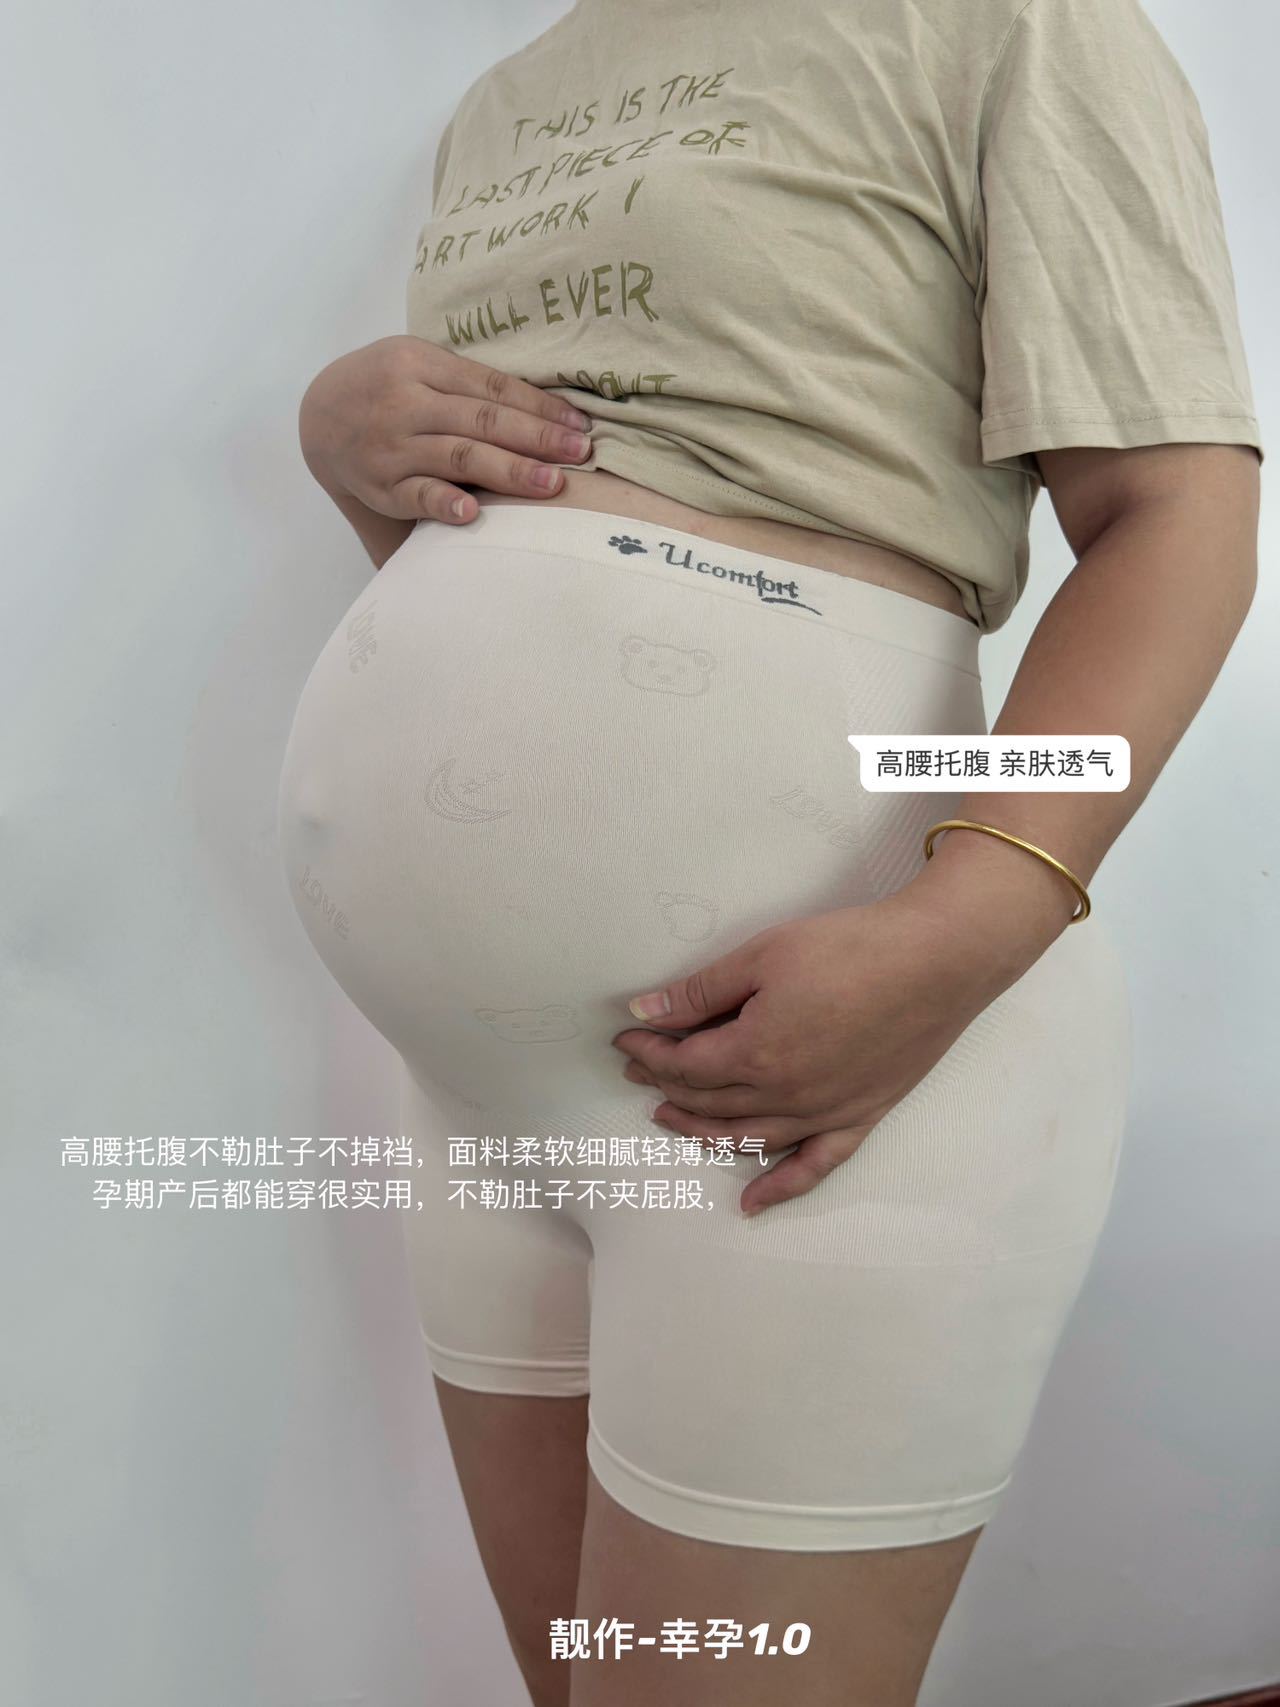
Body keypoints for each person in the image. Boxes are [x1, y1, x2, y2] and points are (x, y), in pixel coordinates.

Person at [276, 0, 1263, 1701]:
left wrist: (976, 921)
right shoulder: (510, 95)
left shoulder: (1009, 21)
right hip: (479, 1101)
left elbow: (1179, 516)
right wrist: (350, 446)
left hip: (832, 1072)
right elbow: (537, 539)